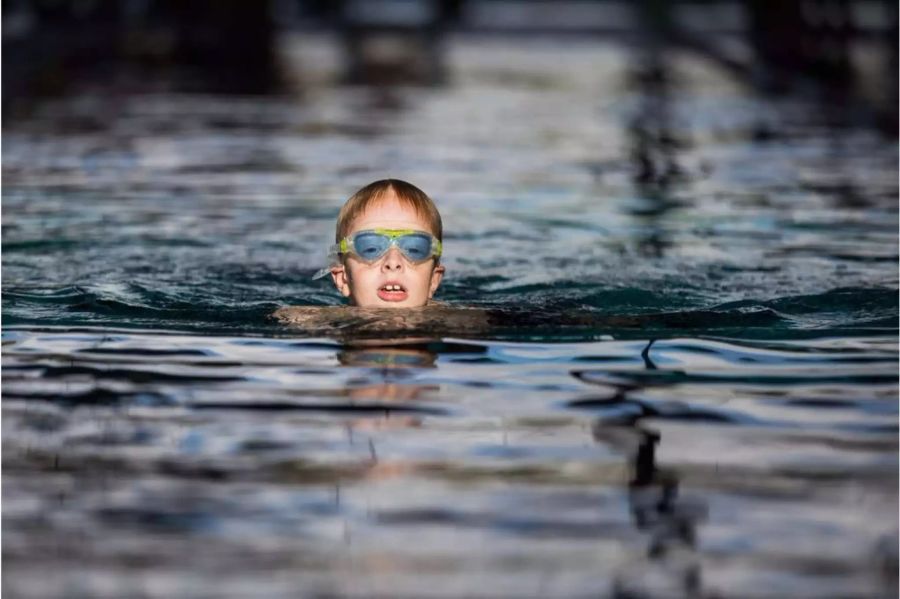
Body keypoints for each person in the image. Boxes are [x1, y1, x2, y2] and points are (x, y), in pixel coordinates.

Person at [323, 178, 445, 308]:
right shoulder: (315, 324)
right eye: (371, 248)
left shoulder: (460, 322)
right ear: (342, 278)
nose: (393, 262)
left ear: (433, 280)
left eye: (414, 249)